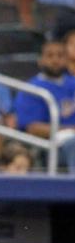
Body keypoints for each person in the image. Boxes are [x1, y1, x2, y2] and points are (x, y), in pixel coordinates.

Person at [14, 40, 75, 173]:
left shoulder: (73, 83)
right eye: (50, 55)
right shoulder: (32, 88)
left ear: (66, 59)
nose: (55, 60)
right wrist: (69, 130)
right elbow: (32, 128)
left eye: (60, 56)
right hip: (49, 147)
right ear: (41, 60)